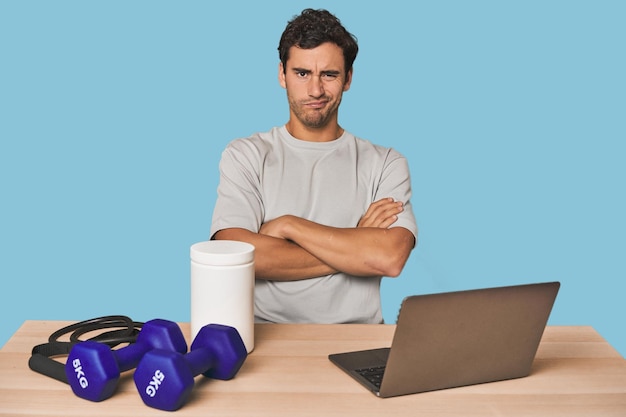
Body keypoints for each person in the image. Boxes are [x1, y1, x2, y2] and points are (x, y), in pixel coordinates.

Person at [210, 8, 417, 324]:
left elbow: (389, 258)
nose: (316, 90)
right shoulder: (246, 154)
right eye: (302, 73)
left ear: (347, 78)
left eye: (329, 75)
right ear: (282, 74)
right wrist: (356, 244)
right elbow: (234, 254)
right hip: (268, 340)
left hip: (359, 340)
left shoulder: (386, 162)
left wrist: (289, 225)